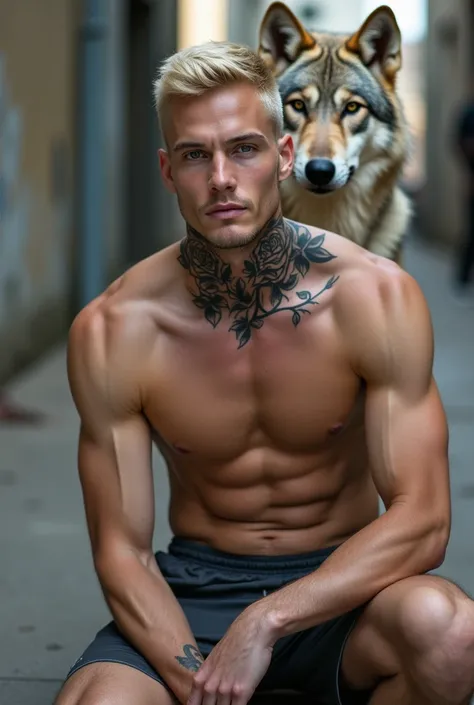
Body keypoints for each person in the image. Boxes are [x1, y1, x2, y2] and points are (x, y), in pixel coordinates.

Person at [55, 41, 474, 705]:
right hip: (193, 594)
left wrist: (268, 619)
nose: (221, 177)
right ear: (168, 170)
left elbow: (423, 518)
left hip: (345, 588)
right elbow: (123, 552)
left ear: (282, 156)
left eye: (244, 148)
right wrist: (201, 677)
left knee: (450, 631)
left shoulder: (375, 298)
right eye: (195, 154)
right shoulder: (115, 329)